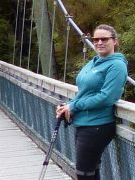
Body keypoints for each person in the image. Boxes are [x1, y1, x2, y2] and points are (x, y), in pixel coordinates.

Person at [54, 24, 127, 180]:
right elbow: (84, 91)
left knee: (84, 174)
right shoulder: (93, 62)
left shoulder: (117, 65)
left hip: (97, 125)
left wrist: (74, 106)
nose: (99, 42)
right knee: (90, 171)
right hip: (83, 122)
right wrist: (68, 105)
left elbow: (107, 97)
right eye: (96, 39)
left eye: (104, 39)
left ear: (114, 41)